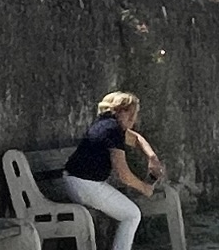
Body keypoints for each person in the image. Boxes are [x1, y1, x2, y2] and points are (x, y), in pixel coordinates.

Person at [59, 90, 162, 250]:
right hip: (86, 185)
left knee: (124, 211)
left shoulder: (105, 124)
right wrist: (145, 188)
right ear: (122, 111)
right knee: (132, 214)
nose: (133, 120)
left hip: (73, 181)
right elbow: (123, 175)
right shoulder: (112, 130)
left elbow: (136, 138)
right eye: (132, 114)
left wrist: (152, 157)